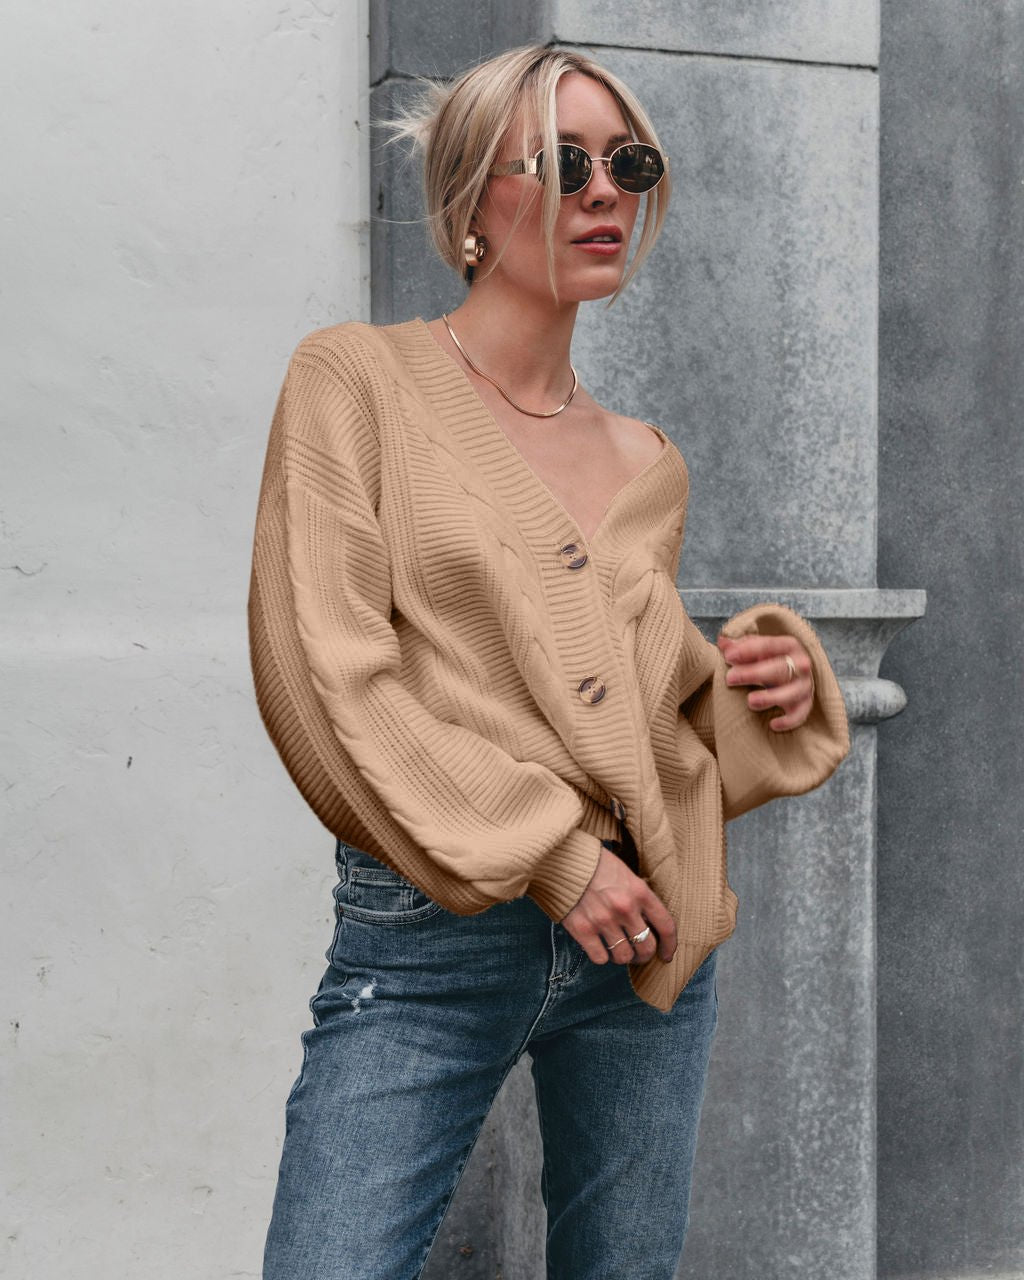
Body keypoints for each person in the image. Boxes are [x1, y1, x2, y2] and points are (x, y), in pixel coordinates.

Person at [247, 43, 850, 1280]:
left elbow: (641, 723)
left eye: (628, 163)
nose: (606, 193)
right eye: (565, 162)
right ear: (473, 201)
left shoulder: (646, 459)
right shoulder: (353, 381)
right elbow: (328, 675)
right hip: (428, 936)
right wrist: (555, 858)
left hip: (647, 935)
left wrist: (767, 692)